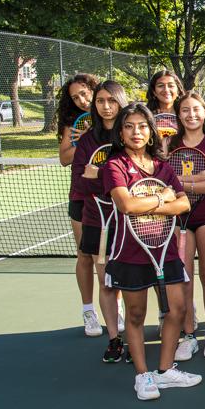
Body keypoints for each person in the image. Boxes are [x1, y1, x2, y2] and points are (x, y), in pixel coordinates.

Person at [103, 102, 199, 400]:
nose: (136, 132)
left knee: (177, 308)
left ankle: (166, 370)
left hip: (165, 249)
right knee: (135, 314)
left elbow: (184, 204)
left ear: (151, 131)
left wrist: (163, 199)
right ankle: (143, 376)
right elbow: (127, 205)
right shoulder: (114, 165)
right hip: (130, 252)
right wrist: (162, 197)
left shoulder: (162, 167)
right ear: (121, 132)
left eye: (142, 126)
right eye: (129, 126)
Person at [72, 80, 125, 361]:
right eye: (101, 101)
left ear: (120, 102)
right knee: (106, 282)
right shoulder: (87, 140)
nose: (106, 106)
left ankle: (133, 334)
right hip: (96, 220)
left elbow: (131, 179)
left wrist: (100, 176)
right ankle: (115, 339)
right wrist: (110, 181)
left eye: (111, 101)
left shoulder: (129, 135)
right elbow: (81, 183)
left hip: (128, 221)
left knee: (129, 282)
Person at [171, 91, 205, 361]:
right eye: (185, 110)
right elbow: (164, 182)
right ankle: (189, 334)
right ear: (178, 115)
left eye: (196, 110)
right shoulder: (168, 144)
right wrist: (193, 179)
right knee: (185, 277)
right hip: (179, 218)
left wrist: (180, 182)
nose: (191, 115)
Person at [56, 73, 103, 336]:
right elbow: (64, 158)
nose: (83, 100)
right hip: (81, 195)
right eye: (76, 97)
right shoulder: (73, 125)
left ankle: (114, 308)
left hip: (110, 194)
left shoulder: (113, 118)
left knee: (107, 256)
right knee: (85, 254)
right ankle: (88, 311)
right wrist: (83, 137)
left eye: (85, 93)